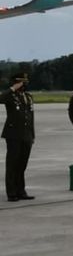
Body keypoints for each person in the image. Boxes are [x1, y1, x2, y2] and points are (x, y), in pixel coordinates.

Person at [1, 73, 35, 202]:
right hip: (13, 135)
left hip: (26, 135)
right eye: (21, 82)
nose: (24, 84)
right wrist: (12, 88)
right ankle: (12, 192)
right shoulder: (10, 96)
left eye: (25, 82)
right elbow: (1, 98)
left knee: (22, 165)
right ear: (16, 82)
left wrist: (32, 135)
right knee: (12, 164)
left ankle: (21, 190)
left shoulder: (28, 97)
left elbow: (31, 117)